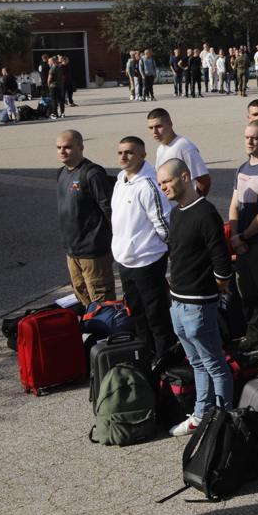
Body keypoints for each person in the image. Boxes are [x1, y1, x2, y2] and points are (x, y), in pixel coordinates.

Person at [156, 158, 233, 437]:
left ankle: (224, 420)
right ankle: (201, 415)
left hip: (199, 305)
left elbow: (221, 261)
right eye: (161, 182)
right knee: (197, 362)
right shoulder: (176, 213)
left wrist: (215, 288)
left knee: (215, 364)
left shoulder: (205, 213)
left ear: (185, 177)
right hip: (177, 303)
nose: (163, 186)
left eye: (167, 181)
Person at [111, 136, 177, 363]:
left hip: (148, 260)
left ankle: (165, 356)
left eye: (129, 152)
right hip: (125, 260)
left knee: (156, 314)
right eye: (120, 152)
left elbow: (165, 224)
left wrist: (154, 247)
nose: (124, 156)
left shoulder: (150, 184)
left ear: (142, 155)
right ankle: (146, 353)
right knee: (137, 313)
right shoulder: (120, 180)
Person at [228, 120, 258, 353]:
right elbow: (234, 205)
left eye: (255, 137)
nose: (249, 141)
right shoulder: (242, 168)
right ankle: (254, 334)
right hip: (243, 243)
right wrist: (235, 235)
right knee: (247, 292)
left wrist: (243, 237)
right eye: (247, 137)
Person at [56, 130, 115, 307]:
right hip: (72, 251)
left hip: (93, 252)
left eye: (67, 147)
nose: (62, 151)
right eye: (59, 147)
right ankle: (92, 328)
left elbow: (109, 209)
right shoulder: (61, 173)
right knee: (81, 294)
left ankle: (108, 333)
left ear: (81, 147)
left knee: (102, 298)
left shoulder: (92, 173)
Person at [148, 108, 212, 196]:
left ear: (170, 124)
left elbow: (204, 180)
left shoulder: (185, 147)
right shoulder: (160, 148)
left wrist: (194, 204)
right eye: (151, 128)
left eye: (159, 126)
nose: (154, 132)